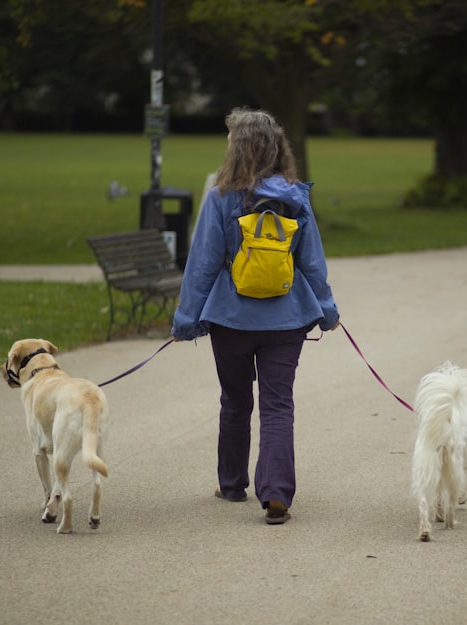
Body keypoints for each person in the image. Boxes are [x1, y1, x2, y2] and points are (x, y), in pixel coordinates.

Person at [172, 107, 340, 525]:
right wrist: (327, 310)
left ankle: (232, 484)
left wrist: (186, 319)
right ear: (276, 149)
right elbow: (312, 263)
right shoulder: (295, 196)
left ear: (239, 150)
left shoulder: (220, 198)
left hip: (231, 319)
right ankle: (277, 492)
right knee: (278, 405)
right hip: (287, 320)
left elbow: (203, 264)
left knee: (235, 400)